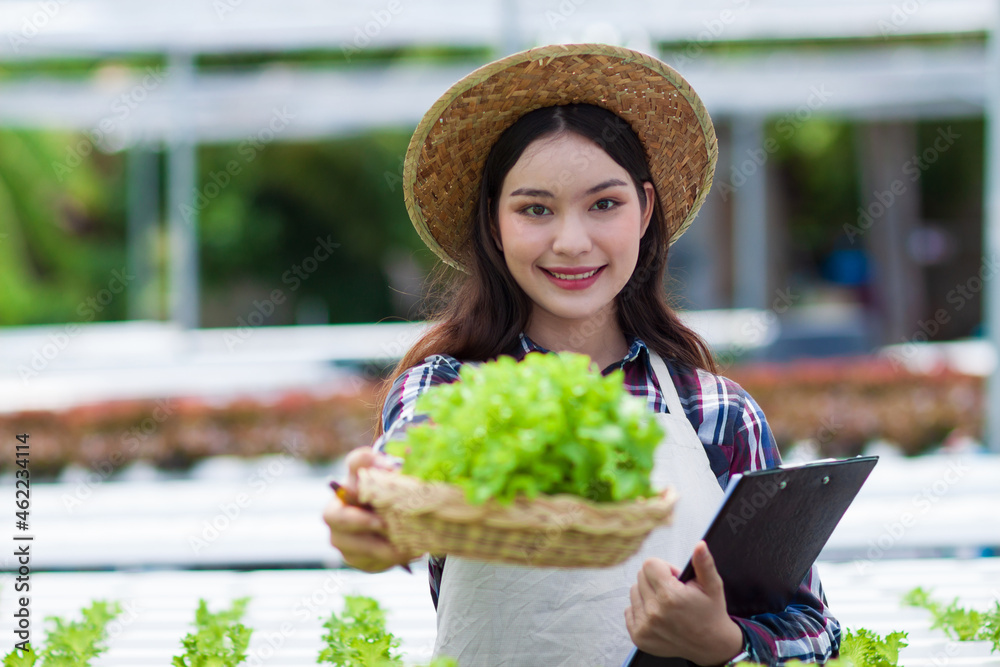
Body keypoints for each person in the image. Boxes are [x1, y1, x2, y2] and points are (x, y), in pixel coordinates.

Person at [323, 43, 841, 667]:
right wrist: (367, 520)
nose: (572, 242)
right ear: (494, 223)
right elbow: (400, 473)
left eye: (604, 204)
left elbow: (812, 624)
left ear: (645, 211)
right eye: (535, 209)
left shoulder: (719, 413)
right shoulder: (447, 389)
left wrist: (726, 642)